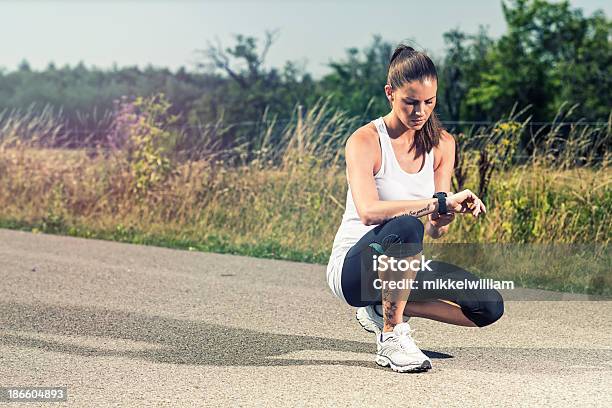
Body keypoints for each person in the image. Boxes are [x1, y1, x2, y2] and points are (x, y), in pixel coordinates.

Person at [325, 44, 504, 373]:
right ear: (390, 94)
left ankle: (383, 309)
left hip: (401, 266)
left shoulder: (443, 144)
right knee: (408, 226)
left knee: (488, 306)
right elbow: (368, 211)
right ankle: (391, 337)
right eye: (410, 101)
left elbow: (436, 226)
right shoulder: (365, 141)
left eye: (429, 102)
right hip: (354, 270)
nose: (421, 111)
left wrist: (443, 216)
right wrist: (434, 204)